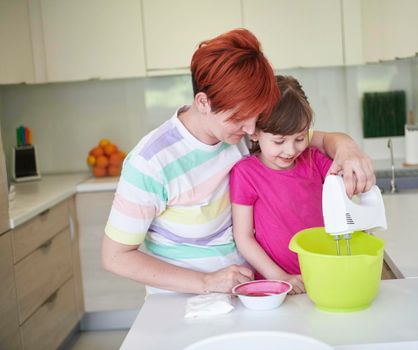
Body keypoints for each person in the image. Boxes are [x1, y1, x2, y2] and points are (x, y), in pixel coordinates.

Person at [101, 28, 375, 295]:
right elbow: (115, 256)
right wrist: (206, 282)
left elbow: (321, 140)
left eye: (254, 117)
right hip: (187, 303)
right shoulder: (150, 162)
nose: (250, 129)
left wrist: (348, 149)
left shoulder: (243, 133)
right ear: (203, 102)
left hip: (254, 291)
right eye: (239, 118)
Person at [230, 75, 333, 294]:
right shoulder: (245, 173)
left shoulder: (313, 159)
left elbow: (342, 176)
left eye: (300, 138)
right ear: (256, 133)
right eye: (279, 141)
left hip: (324, 273)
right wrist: (280, 278)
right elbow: (243, 236)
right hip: (276, 285)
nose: (291, 150)